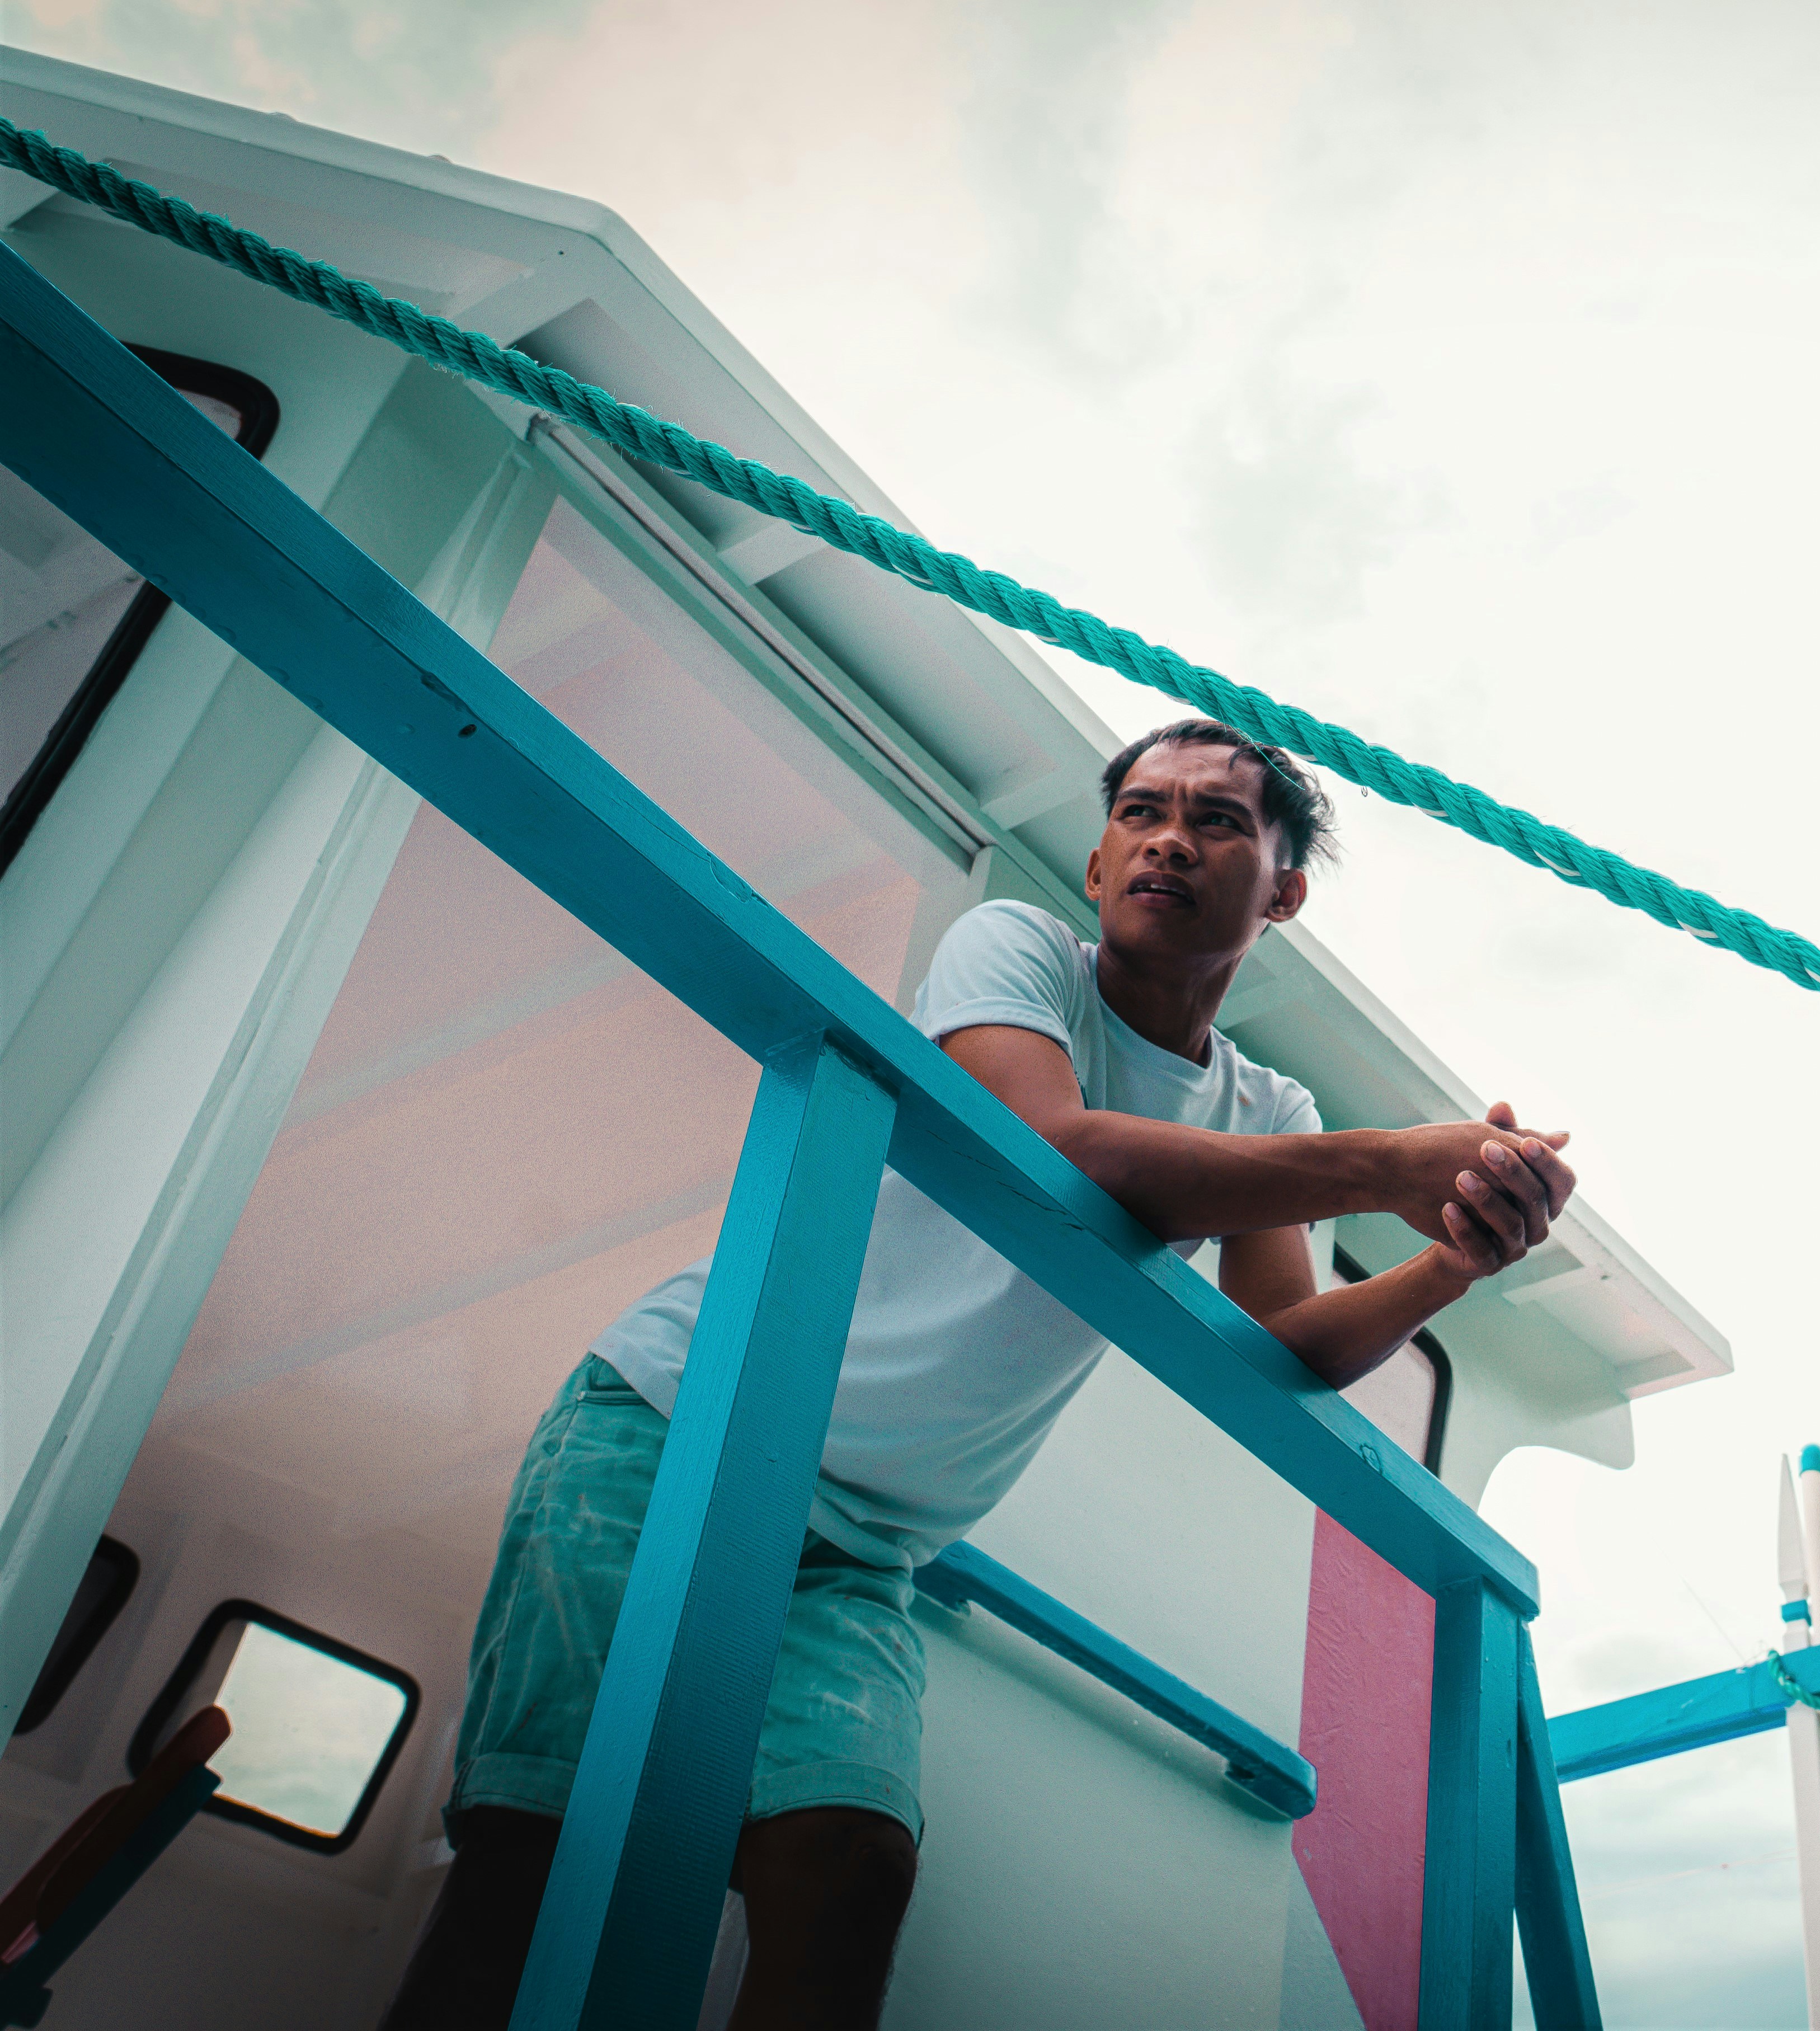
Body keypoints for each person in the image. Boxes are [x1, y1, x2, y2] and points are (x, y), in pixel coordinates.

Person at [381, 718, 1577, 2030]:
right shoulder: (1015, 953)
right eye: (1140, 811)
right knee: (538, 1865)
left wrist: (1456, 1256)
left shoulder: (1263, 1108)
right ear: (1097, 856)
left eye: (1219, 821)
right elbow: (1058, 1145)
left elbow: (1286, 1344)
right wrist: (1386, 1165)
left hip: (869, 1547)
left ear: (1283, 892)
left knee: (851, 1869)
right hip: (677, 1427)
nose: (1168, 836)